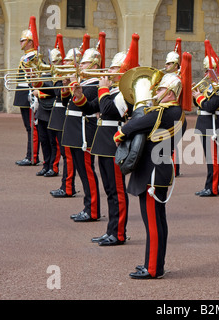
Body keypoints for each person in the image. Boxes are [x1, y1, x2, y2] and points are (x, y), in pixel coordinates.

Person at [113, 52, 191, 279]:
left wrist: (121, 132)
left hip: (153, 173)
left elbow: (139, 122)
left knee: (154, 223)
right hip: (158, 169)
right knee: (157, 222)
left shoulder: (166, 111)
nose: (155, 93)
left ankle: (154, 268)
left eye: (159, 90)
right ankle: (153, 262)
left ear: (169, 92)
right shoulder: (177, 114)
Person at [76, 34, 139, 245]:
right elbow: (90, 107)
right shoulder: (112, 90)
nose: (108, 71)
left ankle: (118, 233)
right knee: (109, 190)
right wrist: (78, 95)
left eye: (113, 68)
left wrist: (102, 88)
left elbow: (109, 110)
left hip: (115, 145)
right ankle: (111, 230)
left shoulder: (126, 93)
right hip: (103, 143)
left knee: (117, 190)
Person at [61, 33, 105, 222]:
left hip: (85, 132)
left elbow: (85, 102)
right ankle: (87, 207)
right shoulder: (84, 82)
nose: (81, 67)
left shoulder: (94, 84)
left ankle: (92, 209)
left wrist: (72, 85)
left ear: (94, 66)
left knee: (87, 172)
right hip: (75, 131)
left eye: (85, 64)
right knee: (81, 171)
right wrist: (65, 88)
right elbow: (67, 104)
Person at [48, 34, 89, 198]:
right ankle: (65, 185)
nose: (65, 64)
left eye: (68, 62)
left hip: (76, 124)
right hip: (66, 118)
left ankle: (68, 187)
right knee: (67, 156)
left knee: (69, 157)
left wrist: (71, 83)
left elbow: (81, 101)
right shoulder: (71, 77)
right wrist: (65, 86)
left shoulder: (83, 80)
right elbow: (65, 100)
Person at [192, 40, 219, 197]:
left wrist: (198, 97)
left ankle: (213, 187)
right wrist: (196, 95)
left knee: (213, 159)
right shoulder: (210, 86)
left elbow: (211, 106)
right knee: (208, 159)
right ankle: (208, 185)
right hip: (205, 124)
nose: (205, 74)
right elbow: (201, 105)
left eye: (208, 71)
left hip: (212, 125)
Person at [31, 38, 64, 178]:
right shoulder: (46, 73)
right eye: (52, 61)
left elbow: (55, 93)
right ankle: (46, 165)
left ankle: (53, 167)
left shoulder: (61, 75)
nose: (53, 64)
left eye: (55, 62)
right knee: (43, 140)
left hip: (52, 110)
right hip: (43, 111)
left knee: (53, 141)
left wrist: (40, 93)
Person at [14, 16, 40, 166]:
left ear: (30, 42)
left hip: (29, 95)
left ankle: (32, 156)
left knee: (32, 128)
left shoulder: (33, 57)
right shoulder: (26, 57)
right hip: (23, 94)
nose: (21, 43)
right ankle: (30, 155)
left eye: (23, 40)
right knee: (29, 128)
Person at [164, 38, 183, 177]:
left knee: (173, 142)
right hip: (165, 110)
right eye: (166, 63)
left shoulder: (178, 78)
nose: (166, 65)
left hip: (175, 110)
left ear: (176, 65)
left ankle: (174, 169)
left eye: (170, 63)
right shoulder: (166, 77)